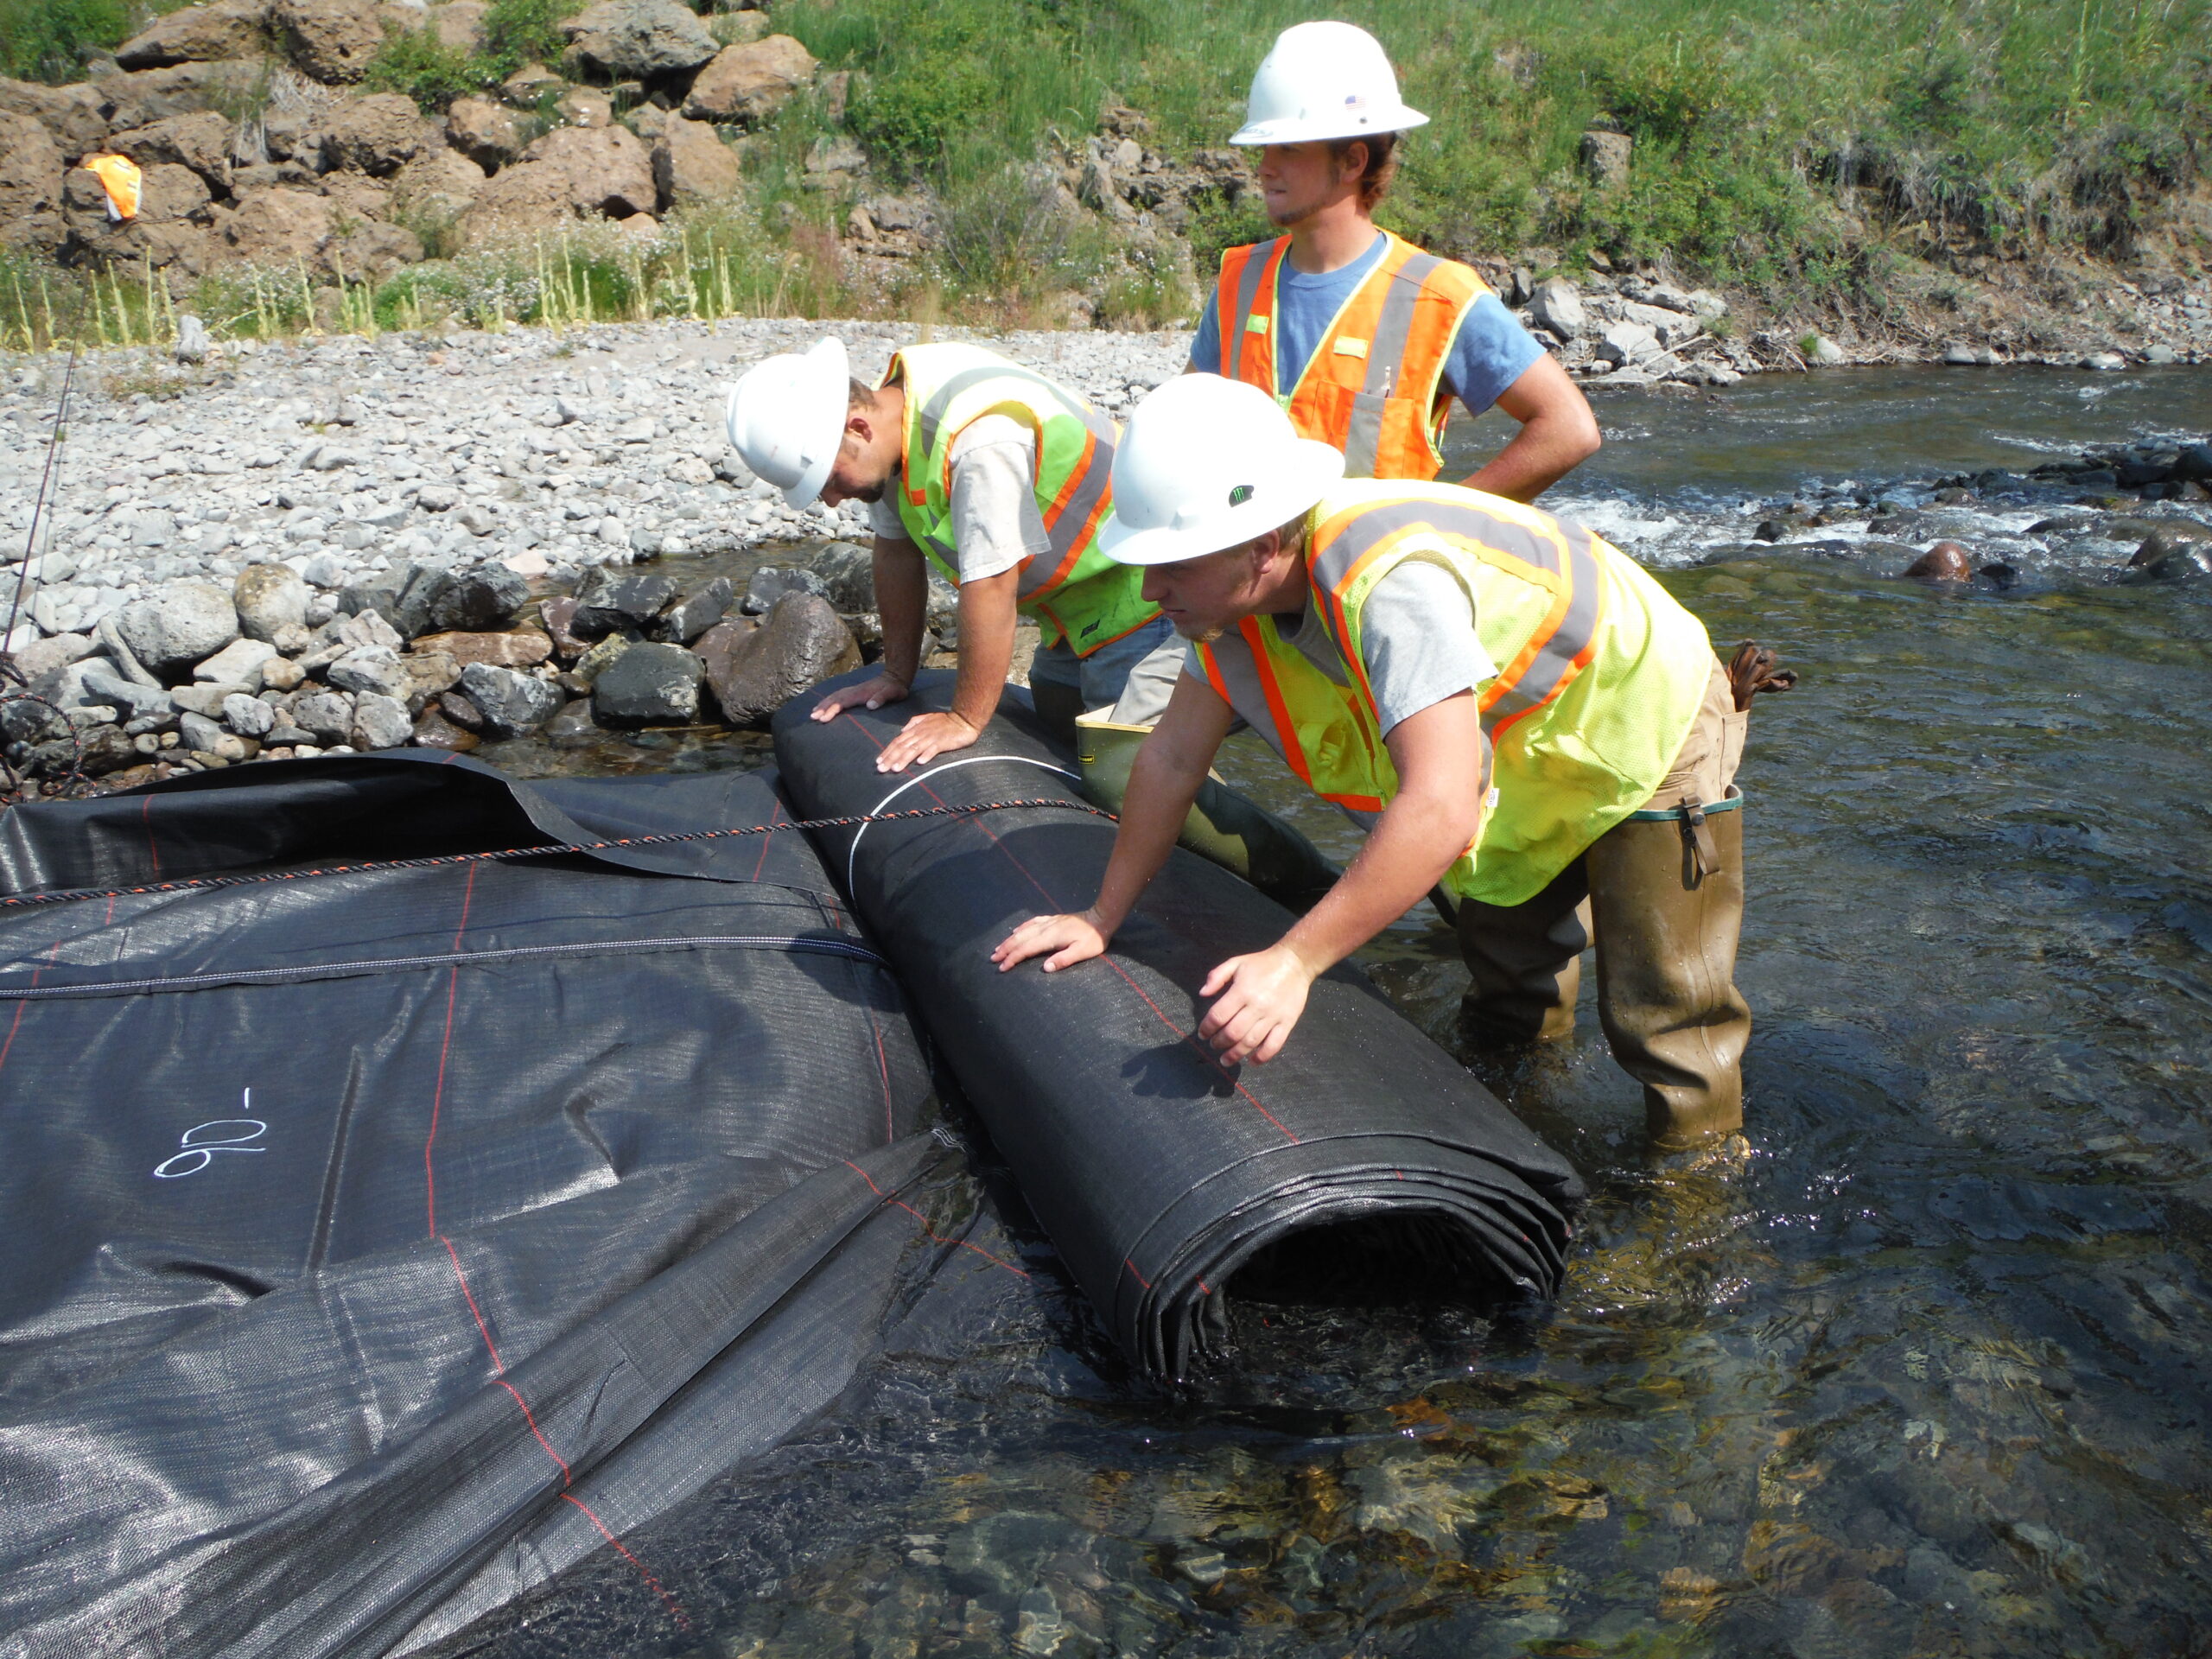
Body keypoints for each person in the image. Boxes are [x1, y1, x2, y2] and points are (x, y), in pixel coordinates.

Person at [995, 375, 1778, 1152]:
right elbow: (1168, 763)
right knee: (1508, 983)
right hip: (1522, 750)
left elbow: (1439, 808)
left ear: (1265, 547)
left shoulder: (1387, 585)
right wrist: (1103, 917)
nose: (1149, 587)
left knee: (1663, 1017)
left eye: (1175, 565)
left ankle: (1694, 1205)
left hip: (1641, 717)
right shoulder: (1227, 614)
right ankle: (1527, 1134)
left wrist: (1293, 963)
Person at [725, 336, 1183, 772]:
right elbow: (895, 553)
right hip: (1071, 613)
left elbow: (992, 584)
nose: (830, 500)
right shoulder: (894, 428)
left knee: (1127, 769)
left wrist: (964, 719)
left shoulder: (980, 441)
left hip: (1149, 594)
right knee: (1058, 729)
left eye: (828, 479)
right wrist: (896, 675)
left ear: (858, 427)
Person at [1191, 21, 1600, 499]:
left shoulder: (1438, 298)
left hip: (1367, 573)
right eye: (1264, 148)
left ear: (1352, 162)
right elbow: (1183, 424)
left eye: (1289, 148)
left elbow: (1570, 429)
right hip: (1247, 571)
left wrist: (1441, 522)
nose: (1265, 166)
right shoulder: (1241, 280)